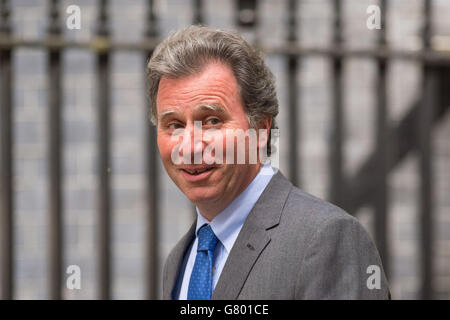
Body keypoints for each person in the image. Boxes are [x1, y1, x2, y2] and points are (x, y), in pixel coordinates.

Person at [147, 25, 390, 300]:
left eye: (212, 121)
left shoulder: (326, 239)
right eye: (174, 125)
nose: (189, 147)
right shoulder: (179, 260)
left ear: (261, 132)